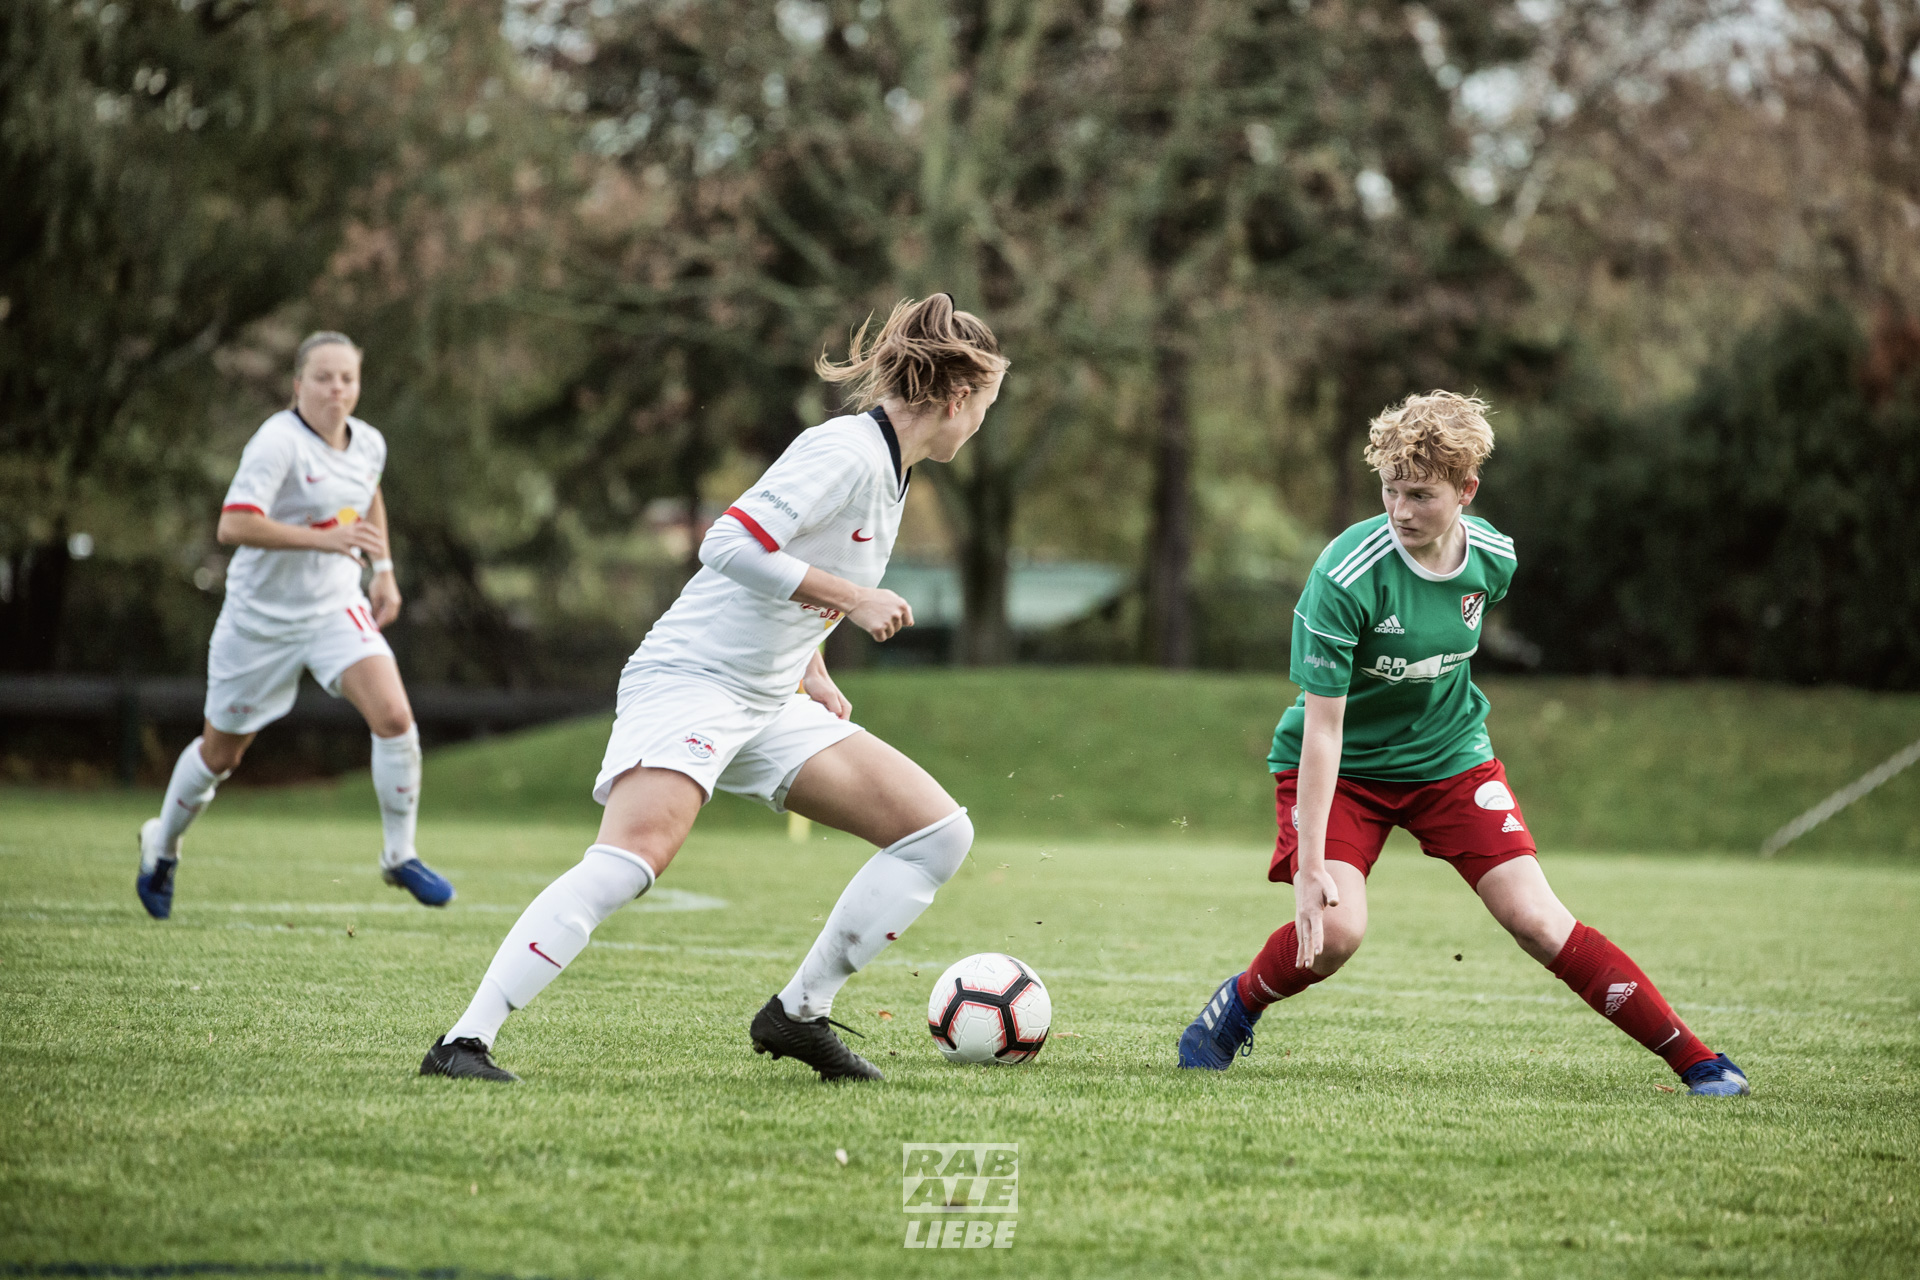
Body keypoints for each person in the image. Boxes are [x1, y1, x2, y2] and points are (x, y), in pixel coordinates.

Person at [420, 295, 1007, 1083]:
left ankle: (798, 1014)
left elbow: (796, 569)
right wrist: (854, 599)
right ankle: (464, 1042)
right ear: (959, 398)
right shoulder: (848, 451)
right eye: (987, 406)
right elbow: (726, 543)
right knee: (632, 861)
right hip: (692, 682)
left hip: (769, 699)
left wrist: (813, 666)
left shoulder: (892, 473)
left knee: (938, 835)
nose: (981, 427)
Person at [1177, 391, 1749, 1097]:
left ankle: (1697, 1061)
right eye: (1389, 490)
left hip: (1450, 758)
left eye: (1420, 494)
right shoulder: (1343, 575)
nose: (1400, 510)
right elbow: (1324, 729)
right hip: (1343, 770)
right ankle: (1237, 1005)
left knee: (1540, 921)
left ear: (1466, 490)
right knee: (1340, 931)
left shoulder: (1494, 560)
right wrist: (1309, 870)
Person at [135, 332, 454, 919]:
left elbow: (369, 491)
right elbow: (233, 525)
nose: (337, 389)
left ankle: (398, 854)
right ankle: (163, 843)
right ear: (298, 384)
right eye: (324, 377)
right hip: (260, 620)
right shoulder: (276, 442)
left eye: (347, 379)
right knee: (220, 756)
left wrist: (382, 571)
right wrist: (323, 538)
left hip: (334, 605)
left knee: (395, 717)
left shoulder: (369, 443)